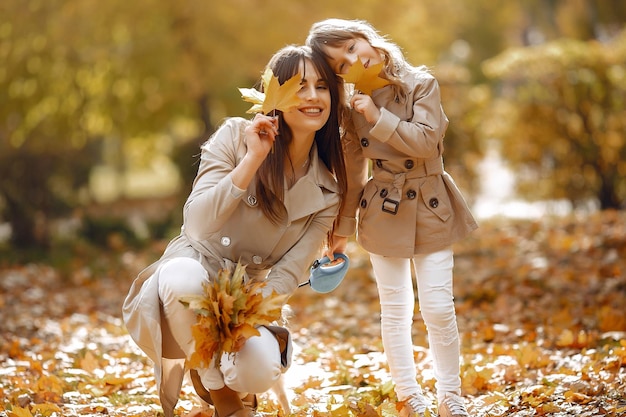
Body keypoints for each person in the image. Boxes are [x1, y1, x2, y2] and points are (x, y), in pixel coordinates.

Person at [122, 44, 347, 417]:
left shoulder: (328, 189)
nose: (312, 96)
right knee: (183, 280)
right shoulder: (234, 135)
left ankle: (233, 375)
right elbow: (197, 223)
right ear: (275, 93)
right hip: (197, 262)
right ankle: (217, 387)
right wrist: (253, 158)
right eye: (299, 85)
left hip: (249, 291)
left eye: (322, 87)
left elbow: (290, 272)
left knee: (259, 368)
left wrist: (246, 317)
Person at [306, 19, 478, 417]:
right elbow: (352, 174)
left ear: (365, 36)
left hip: (431, 202)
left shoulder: (420, 83)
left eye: (352, 46)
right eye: (341, 65)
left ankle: (450, 394)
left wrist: (378, 117)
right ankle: (409, 394)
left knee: (437, 305)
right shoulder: (352, 110)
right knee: (396, 308)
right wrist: (342, 230)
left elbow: (425, 141)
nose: (354, 59)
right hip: (384, 208)